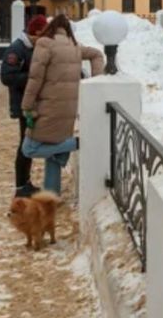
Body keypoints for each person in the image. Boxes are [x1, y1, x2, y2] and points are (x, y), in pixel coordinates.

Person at [20, 14, 104, 195]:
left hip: (48, 107)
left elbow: (35, 78)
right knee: (53, 154)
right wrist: (96, 80)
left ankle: (75, 143)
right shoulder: (73, 46)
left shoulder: (45, 43)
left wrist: (27, 105)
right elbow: (97, 54)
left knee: (29, 148)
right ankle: (52, 194)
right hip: (68, 109)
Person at [0, 14, 49, 198]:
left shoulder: (30, 47)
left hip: (29, 103)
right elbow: (7, 77)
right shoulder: (17, 50)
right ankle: (21, 187)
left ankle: (25, 183)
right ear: (34, 33)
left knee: (27, 143)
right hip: (23, 104)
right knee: (25, 145)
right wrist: (33, 77)